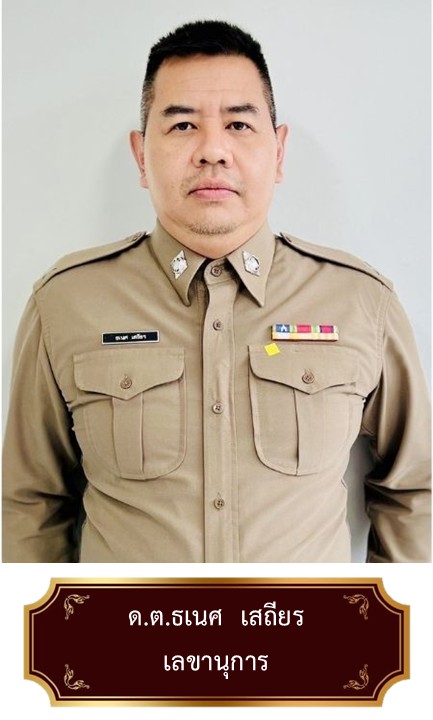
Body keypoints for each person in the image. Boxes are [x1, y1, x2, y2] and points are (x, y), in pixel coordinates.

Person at [2, 20, 430, 563]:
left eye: (238, 124)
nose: (213, 150)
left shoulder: (360, 302)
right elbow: (32, 503)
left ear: (278, 151)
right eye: (182, 125)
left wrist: (384, 614)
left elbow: (415, 488)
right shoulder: (66, 303)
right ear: (141, 155)